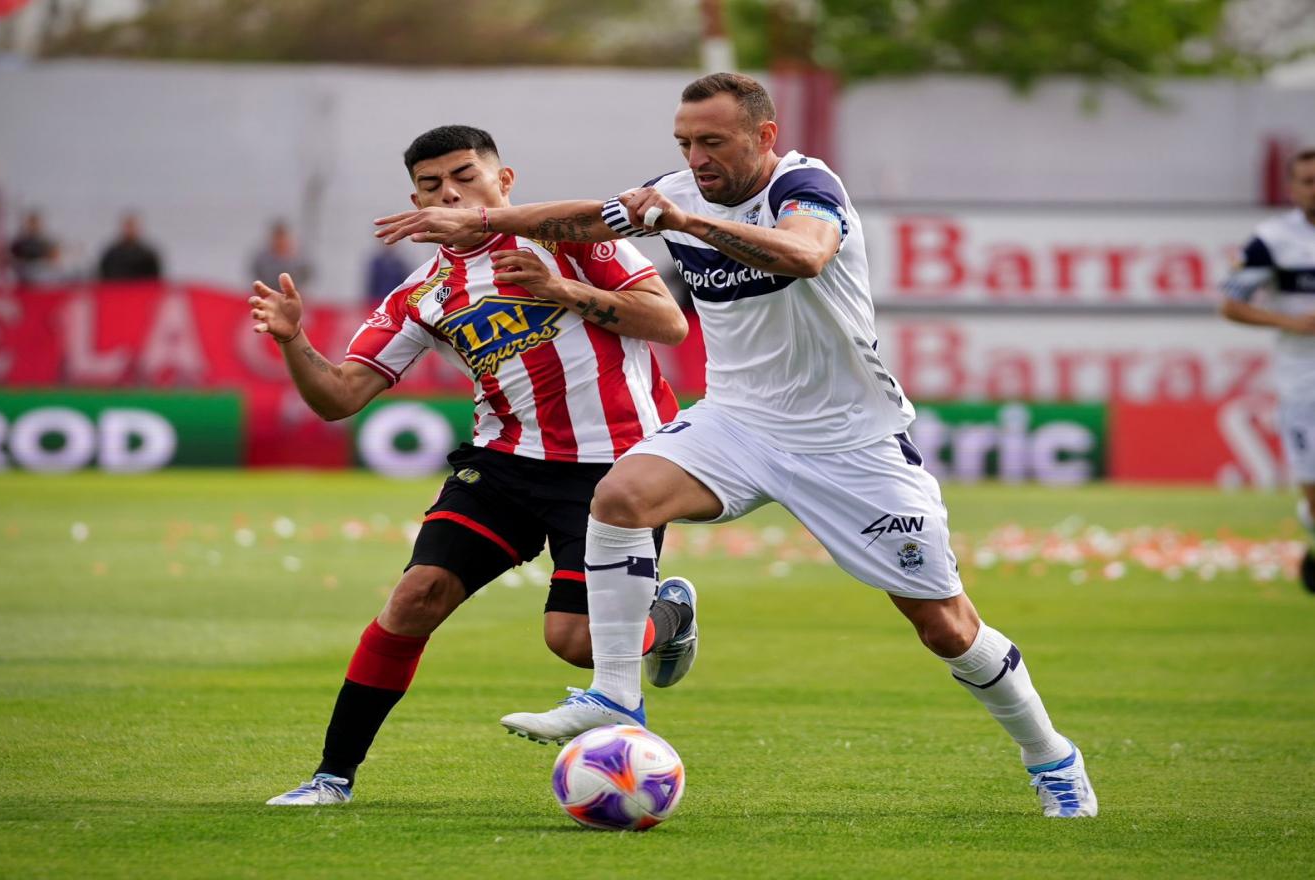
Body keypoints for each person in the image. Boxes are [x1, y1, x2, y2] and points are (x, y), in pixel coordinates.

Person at [374, 74, 1097, 819]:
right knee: (620, 496)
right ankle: (616, 695)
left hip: (849, 441)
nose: (696, 155)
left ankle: (1050, 756)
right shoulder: (677, 187)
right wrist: (495, 220)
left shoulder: (806, 185)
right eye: (685, 142)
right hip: (739, 422)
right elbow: (590, 217)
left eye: (712, 141)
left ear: (763, 136)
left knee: (944, 625)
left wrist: (684, 219)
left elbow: (805, 255)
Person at [255, 125, 699, 806]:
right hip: (503, 466)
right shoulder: (420, 293)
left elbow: (666, 322)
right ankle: (331, 778)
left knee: (575, 644)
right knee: (414, 598)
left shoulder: (572, 238)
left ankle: (666, 616)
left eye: (465, 175)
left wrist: (561, 292)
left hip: (614, 472)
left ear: (504, 182)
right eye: (432, 185)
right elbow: (341, 396)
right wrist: (294, 343)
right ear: (415, 199)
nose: (450, 191)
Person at [1221, 147, 1315, 592]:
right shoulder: (1273, 240)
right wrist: (1291, 321)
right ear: (1292, 188)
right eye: (1308, 181)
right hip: (1304, 378)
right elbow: (1231, 304)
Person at [97, 212, 162, 280]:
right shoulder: (111, 254)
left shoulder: (148, 255)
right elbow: (104, 278)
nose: (130, 230)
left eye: (132, 227)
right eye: (128, 226)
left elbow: (154, 280)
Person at [250, 219, 311, 288]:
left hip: (294, 294)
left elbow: (306, 276)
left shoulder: (300, 259)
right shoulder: (262, 259)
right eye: (277, 238)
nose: (280, 241)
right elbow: (257, 274)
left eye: (282, 238)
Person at [8, 210, 60, 285]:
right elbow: (12, 259)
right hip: (24, 274)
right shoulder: (19, 242)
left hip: (43, 274)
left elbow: (54, 258)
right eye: (31, 223)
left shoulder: (46, 242)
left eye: (35, 223)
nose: (33, 225)